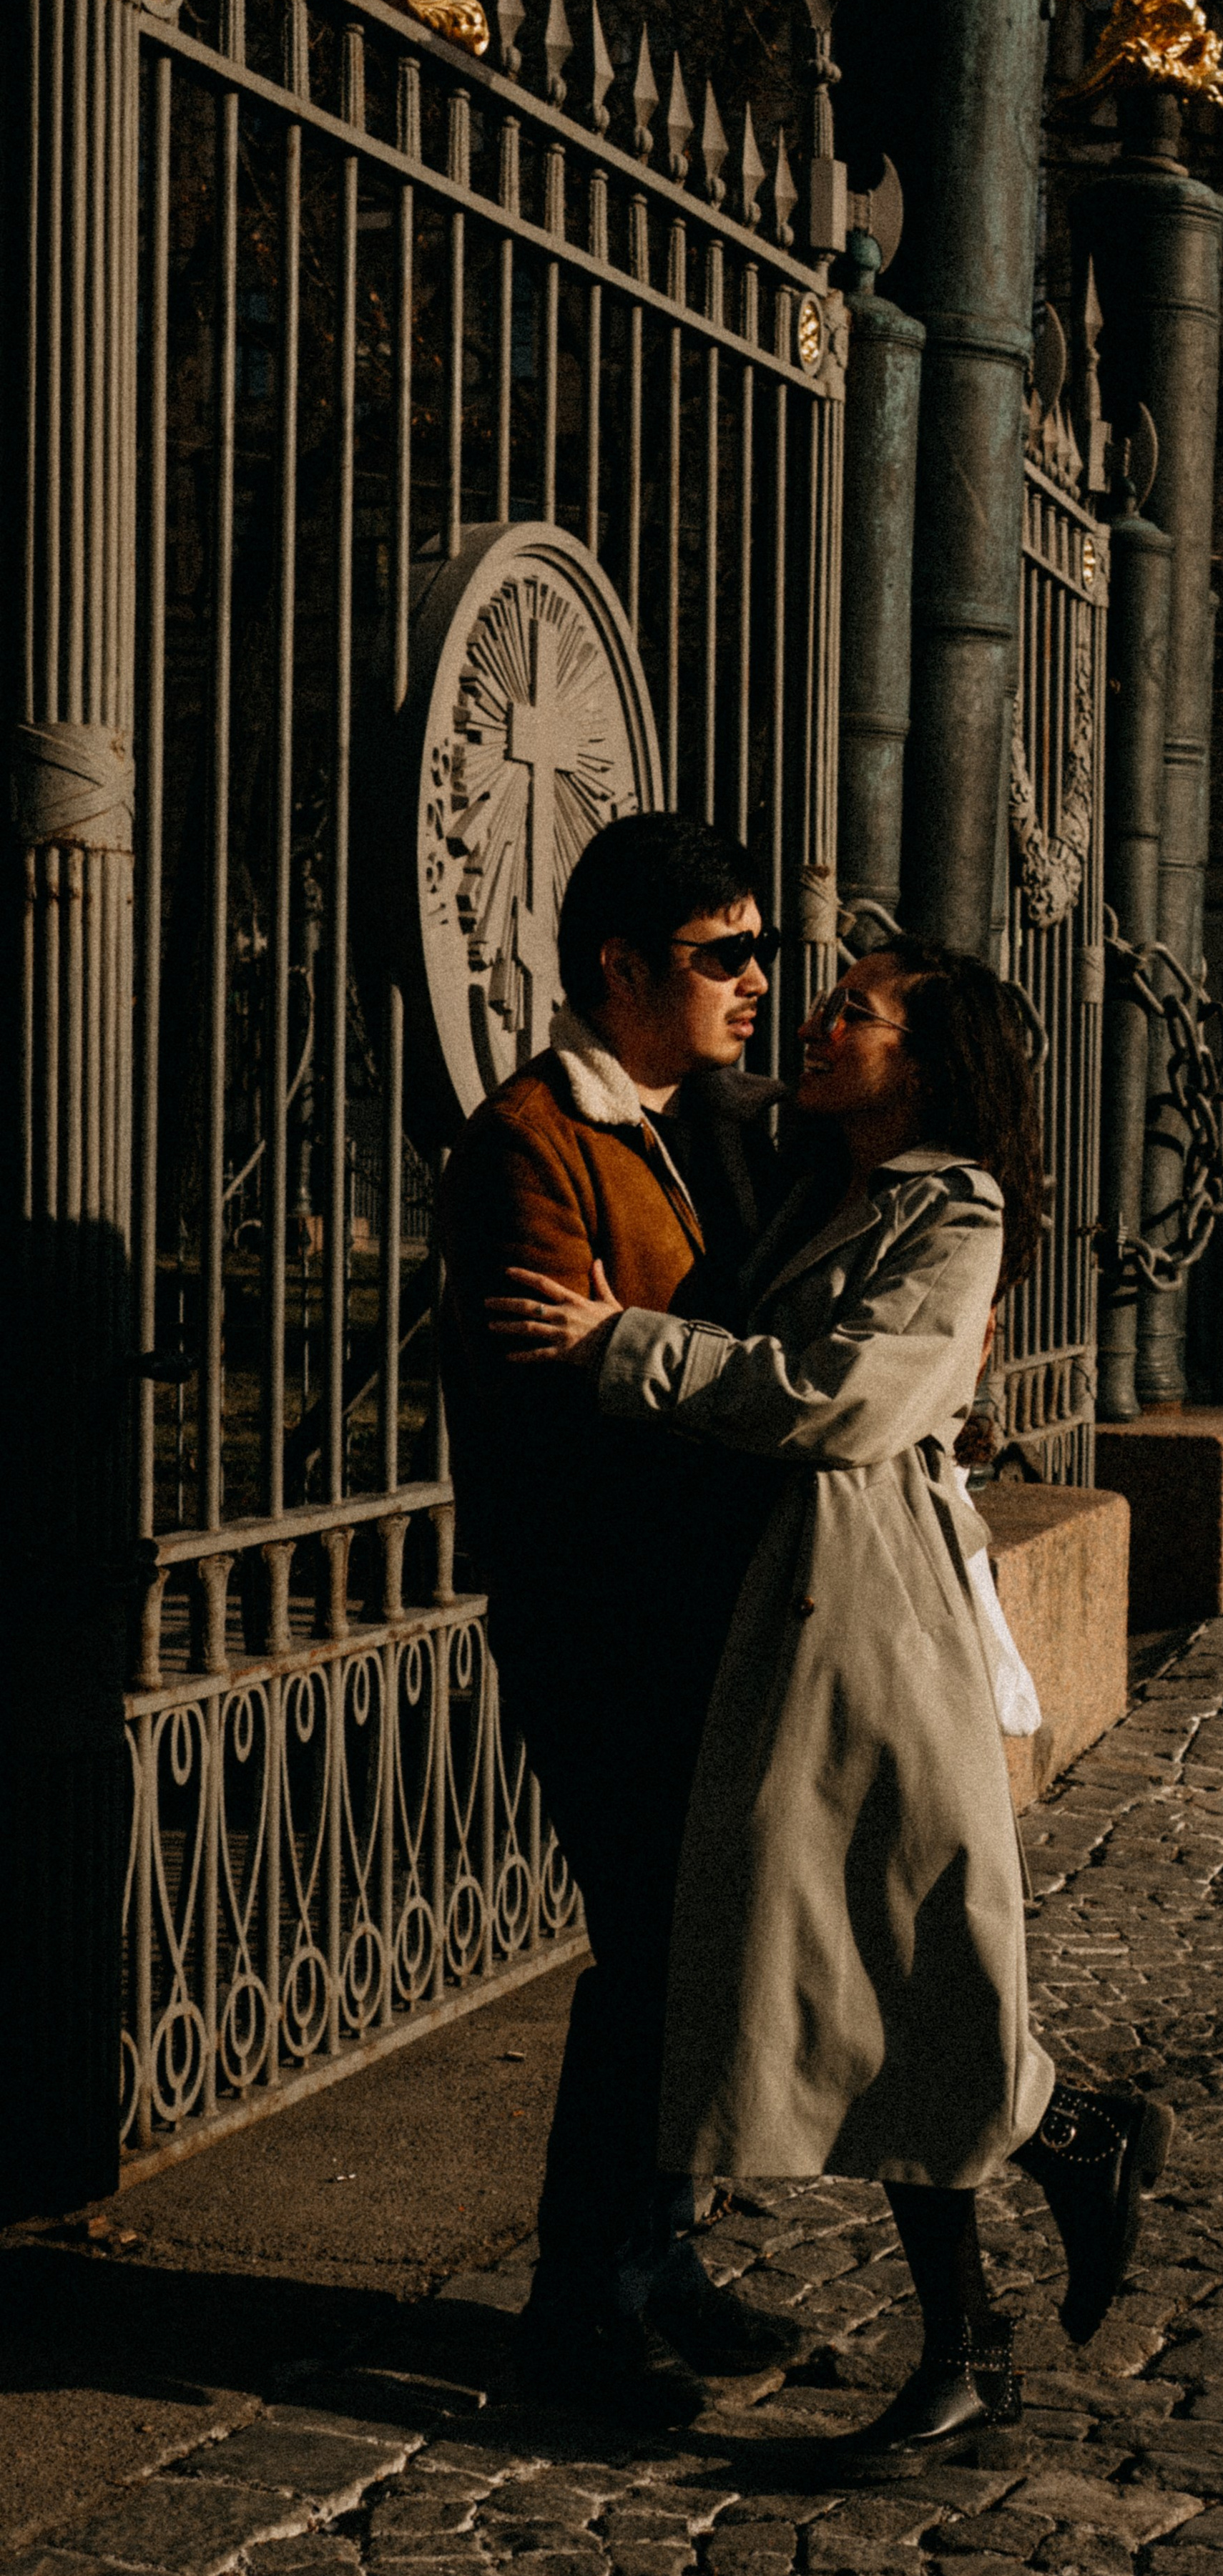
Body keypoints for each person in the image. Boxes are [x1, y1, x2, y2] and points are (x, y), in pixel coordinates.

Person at [488, 939, 1174, 2472]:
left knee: (902, 1956)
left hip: (872, 1625)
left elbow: (845, 1400)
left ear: (921, 1062)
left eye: (849, 1015)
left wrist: (623, 1347)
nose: (812, 1023)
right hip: (791, 1620)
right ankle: (1057, 2171)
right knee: (878, 1967)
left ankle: (986, 2320)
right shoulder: (817, 1176)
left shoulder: (955, 1209)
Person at [438, 811, 807, 2425]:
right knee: (645, 1951)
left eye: (760, 954)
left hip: (719, 1600)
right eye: (723, 956)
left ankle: (657, 2256)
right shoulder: (532, 1139)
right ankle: (576, 2308)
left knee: (702, 1950)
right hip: (602, 1611)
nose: (756, 983)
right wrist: (724, 1395)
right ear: (618, 967)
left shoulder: (719, 1122)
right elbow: (550, 1392)